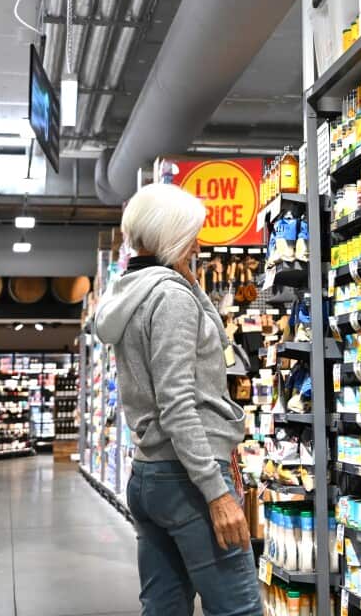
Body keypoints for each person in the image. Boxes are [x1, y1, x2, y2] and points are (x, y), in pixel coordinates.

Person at [93, 183, 260, 616]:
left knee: (164, 608)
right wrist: (217, 493)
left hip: (149, 475)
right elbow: (178, 403)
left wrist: (192, 283)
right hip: (190, 477)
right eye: (191, 232)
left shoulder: (133, 293)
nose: (198, 242)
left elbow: (220, 344)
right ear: (172, 235)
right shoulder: (170, 298)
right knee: (238, 609)